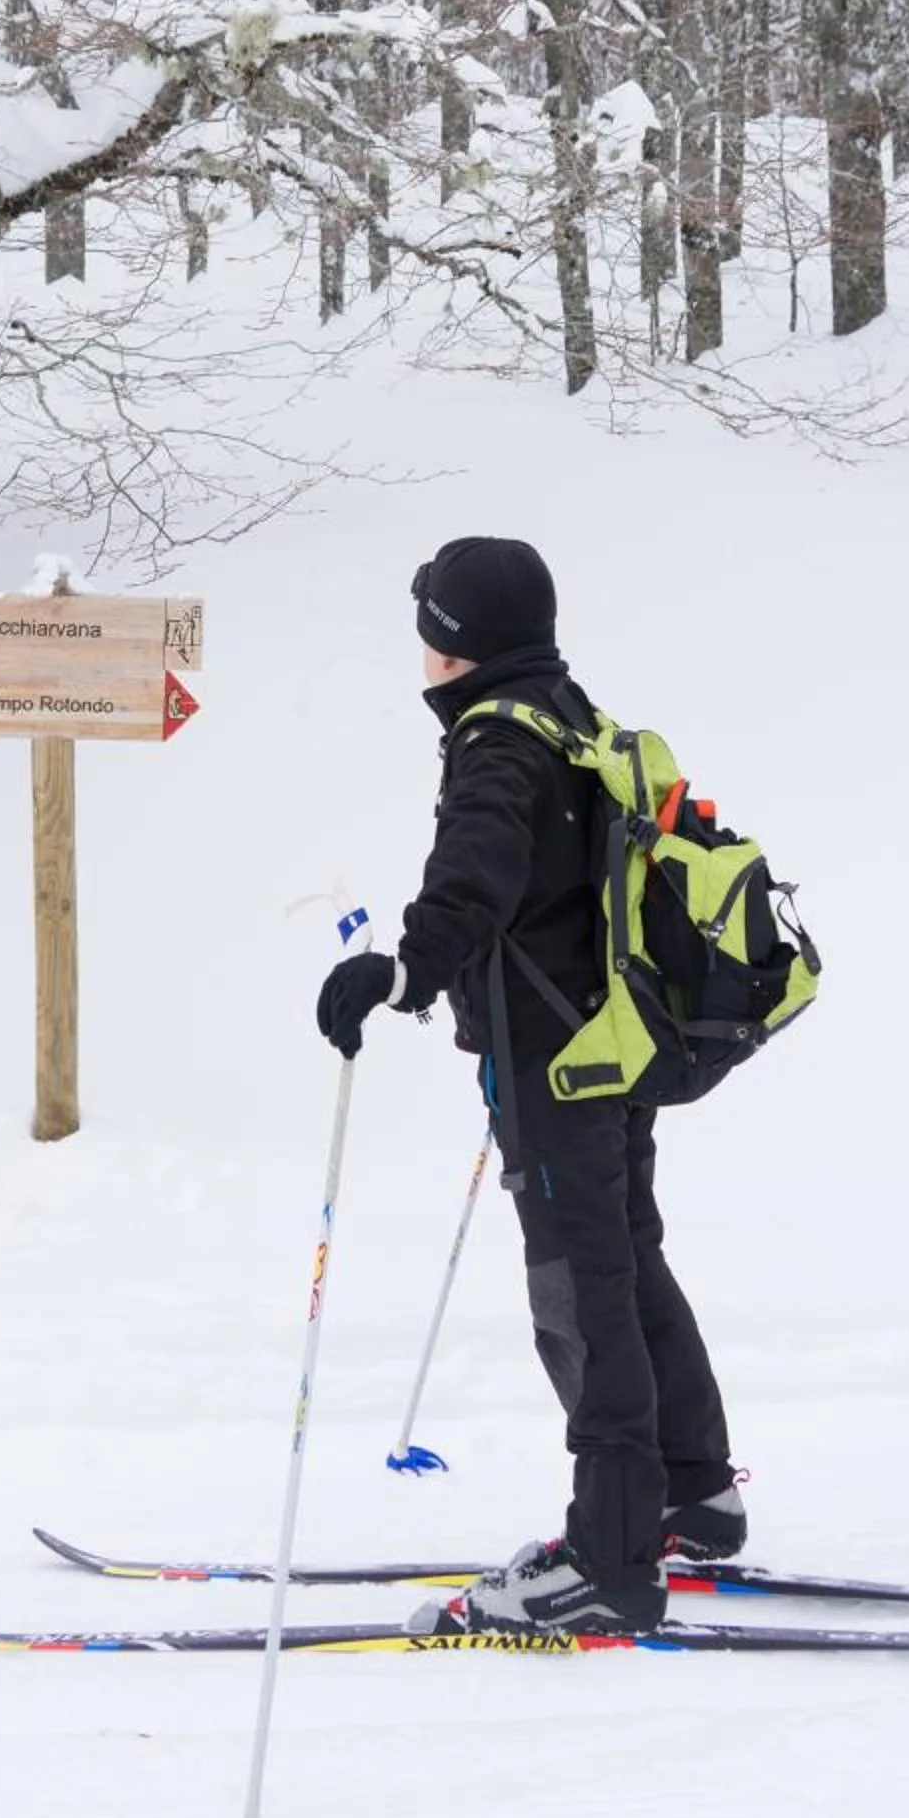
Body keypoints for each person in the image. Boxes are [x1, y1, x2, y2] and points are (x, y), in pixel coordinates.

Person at [315, 534, 745, 1635]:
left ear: (451, 643)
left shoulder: (497, 743)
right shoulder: (571, 715)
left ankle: (608, 1557)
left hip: (558, 1063)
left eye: (427, 624)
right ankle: (690, 1497)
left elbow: (478, 869)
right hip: (612, 1045)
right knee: (625, 1261)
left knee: (579, 1289)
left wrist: (405, 966)